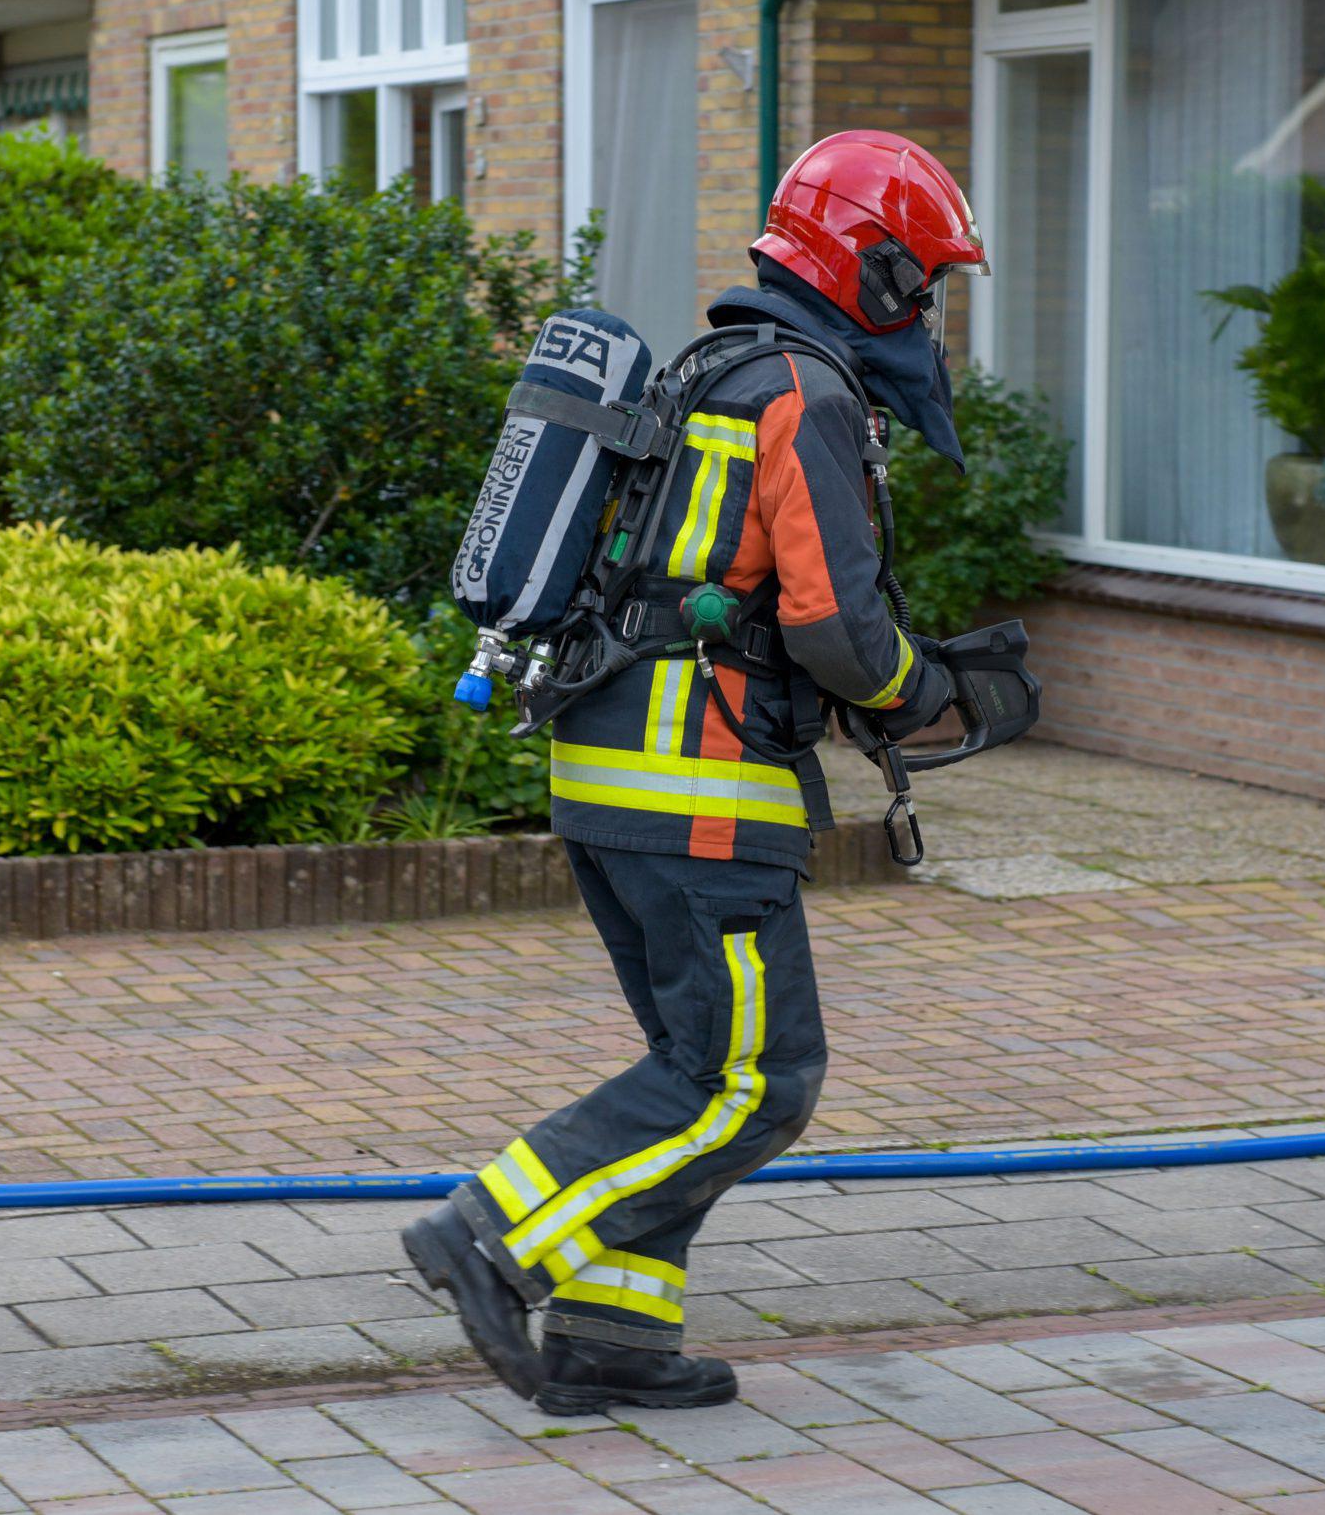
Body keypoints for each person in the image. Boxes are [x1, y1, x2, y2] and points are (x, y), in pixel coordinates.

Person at [406, 130, 989, 1415]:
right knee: (755, 1081)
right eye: (922, 279)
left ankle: (613, 1333)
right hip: (703, 789)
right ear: (869, 266)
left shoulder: (709, 368)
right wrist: (931, 695)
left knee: (689, 1062)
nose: (927, 309)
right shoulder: (802, 392)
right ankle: (489, 1234)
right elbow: (835, 624)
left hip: (606, 774)